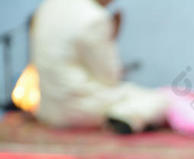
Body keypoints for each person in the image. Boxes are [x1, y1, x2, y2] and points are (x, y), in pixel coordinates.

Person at [32, 0, 168, 133]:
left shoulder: (48, 6)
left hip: (46, 110)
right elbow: (109, 77)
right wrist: (112, 35)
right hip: (78, 111)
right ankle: (123, 117)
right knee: (160, 100)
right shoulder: (94, 17)